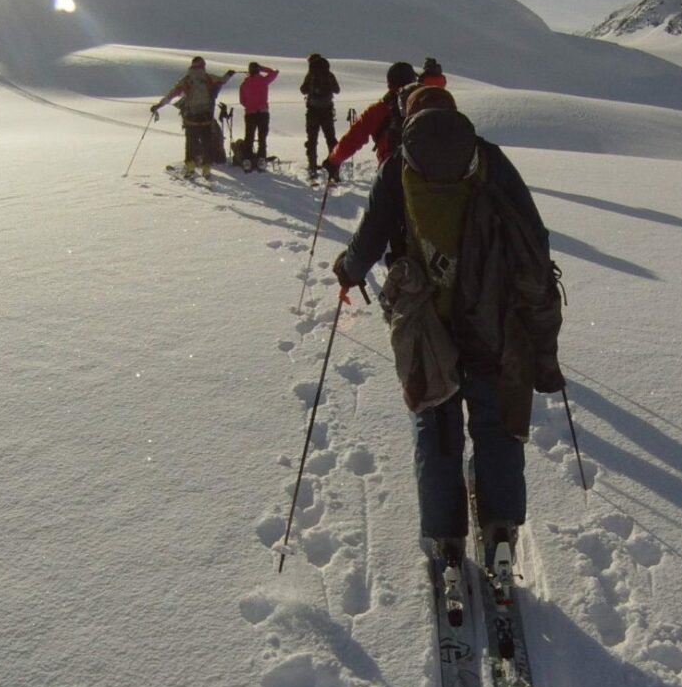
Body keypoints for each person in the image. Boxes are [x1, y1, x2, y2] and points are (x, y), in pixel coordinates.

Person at [331, 87, 564, 576]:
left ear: (409, 118)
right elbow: (533, 235)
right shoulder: (488, 158)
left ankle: (445, 539)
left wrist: (348, 270)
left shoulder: (398, 164)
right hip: (492, 317)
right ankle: (500, 530)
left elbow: (370, 236)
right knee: (497, 423)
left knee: (436, 425)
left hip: (425, 322)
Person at [151, 56, 237, 179]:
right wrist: (229, 74)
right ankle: (206, 168)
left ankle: (190, 167)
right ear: (203, 65)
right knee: (207, 143)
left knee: (191, 143)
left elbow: (171, 94)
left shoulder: (186, 80)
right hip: (206, 117)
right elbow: (222, 81)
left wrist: (158, 105)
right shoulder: (208, 78)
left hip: (191, 117)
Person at [300, 53, 340, 181]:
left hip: (312, 111)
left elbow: (303, 90)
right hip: (327, 111)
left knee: (312, 140)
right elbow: (337, 90)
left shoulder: (311, 75)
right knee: (331, 139)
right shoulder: (329, 75)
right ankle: (334, 169)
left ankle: (312, 168)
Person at [238, 61, 279, 167]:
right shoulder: (263, 81)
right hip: (263, 112)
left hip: (250, 113)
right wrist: (263, 68)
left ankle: (248, 159)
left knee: (249, 137)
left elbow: (242, 101)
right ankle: (261, 159)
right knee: (262, 137)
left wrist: (249, 105)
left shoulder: (244, 84)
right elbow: (275, 72)